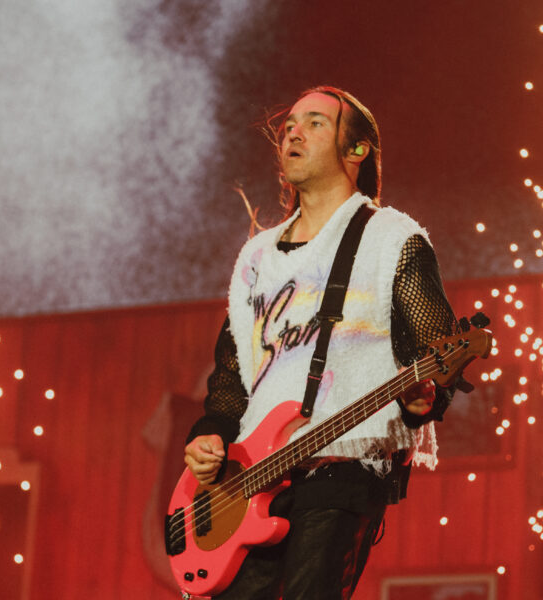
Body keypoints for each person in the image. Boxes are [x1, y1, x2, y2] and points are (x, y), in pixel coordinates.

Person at [183, 86, 457, 600]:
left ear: (356, 150)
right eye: (289, 124)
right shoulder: (257, 256)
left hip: (342, 468)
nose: (293, 132)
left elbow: (437, 350)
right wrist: (210, 433)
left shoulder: (392, 239)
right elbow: (233, 374)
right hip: (251, 476)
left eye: (315, 123)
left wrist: (423, 398)